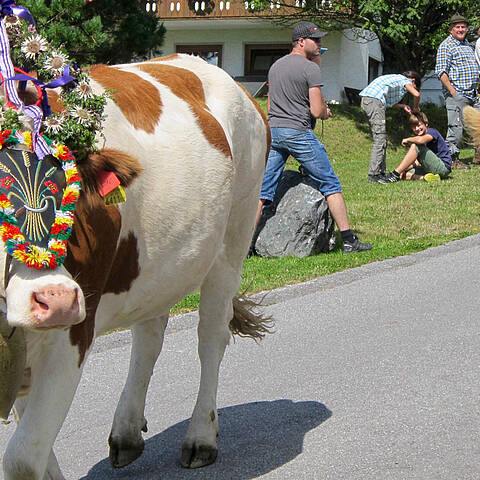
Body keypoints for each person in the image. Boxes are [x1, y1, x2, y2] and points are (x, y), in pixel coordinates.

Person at [255, 21, 372, 254]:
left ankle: (245, 243)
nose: (320, 43)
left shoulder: (275, 67)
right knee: (331, 183)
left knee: (264, 191)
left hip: (275, 130)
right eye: (316, 40)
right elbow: (316, 111)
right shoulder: (310, 69)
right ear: (301, 41)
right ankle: (348, 240)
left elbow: (270, 103)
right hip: (298, 132)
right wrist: (326, 112)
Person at [435, 13, 480, 168]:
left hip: (473, 94)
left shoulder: (468, 45)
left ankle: (478, 155)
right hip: (457, 94)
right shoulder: (446, 45)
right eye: (458, 27)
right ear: (451, 29)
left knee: (478, 125)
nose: (461, 29)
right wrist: (453, 92)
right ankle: (452, 159)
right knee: (456, 128)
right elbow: (441, 72)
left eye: (463, 27)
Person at [359, 72, 422, 183]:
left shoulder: (395, 81)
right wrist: (416, 108)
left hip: (369, 101)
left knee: (383, 139)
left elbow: (388, 103)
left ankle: (380, 173)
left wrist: (402, 106)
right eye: (414, 86)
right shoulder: (405, 80)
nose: (409, 91)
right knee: (380, 139)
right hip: (374, 101)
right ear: (412, 80)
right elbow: (416, 95)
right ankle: (374, 174)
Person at [384, 112, 451, 183]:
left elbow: (420, 140)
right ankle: (425, 178)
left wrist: (408, 139)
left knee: (416, 145)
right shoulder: (423, 140)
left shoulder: (432, 132)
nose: (417, 128)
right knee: (406, 173)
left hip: (443, 167)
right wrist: (403, 169)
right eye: (414, 127)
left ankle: (395, 174)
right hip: (432, 167)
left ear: (426, 124)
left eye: (419, 125)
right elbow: (417, 162)